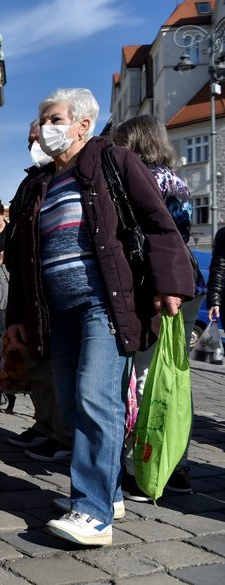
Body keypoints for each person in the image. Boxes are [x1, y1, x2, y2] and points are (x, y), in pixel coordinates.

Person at [6, 88, 194, 546]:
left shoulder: (114, 162)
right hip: (57, 310)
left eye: (54, 118)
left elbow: (157, 223)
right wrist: (17, 316)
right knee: (73, 403)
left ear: (82, 125)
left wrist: (170, 282)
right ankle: (107, 493)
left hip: (103, 303)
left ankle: (92, 513)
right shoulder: (39, 183)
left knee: (96, 399)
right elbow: (21, 257)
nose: (46, 127)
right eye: (43, 119)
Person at [112, 113, 204, 499]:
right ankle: (177, 462)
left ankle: (144, 465)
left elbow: (148, 238)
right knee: (175, 375)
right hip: (186, 281)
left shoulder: (142, 179)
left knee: (146, 377)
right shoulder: (176, 181)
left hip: (157, 284)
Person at [4, 120, 72, 463]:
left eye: (38, 137)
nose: (35, 142)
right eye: (31, 138)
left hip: (51, 285)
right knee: (36, 362)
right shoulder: (32, 178)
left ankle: (62, 433)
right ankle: (44, 424)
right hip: (29, 284)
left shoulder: (61, 177)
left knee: (55, 365)